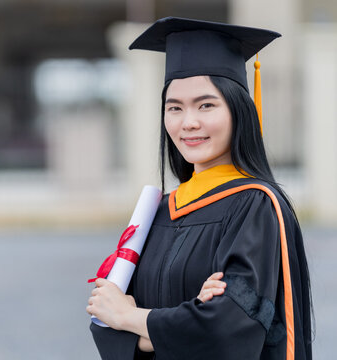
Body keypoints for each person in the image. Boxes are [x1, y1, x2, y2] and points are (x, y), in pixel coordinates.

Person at [86, 17, 312, 360]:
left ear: (238, 111)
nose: (188, 122)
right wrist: (187, 318)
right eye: (174, 108)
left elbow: (228, 331)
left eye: (206, 105)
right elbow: (104, 318)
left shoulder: (254, 206)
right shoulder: (157, 210)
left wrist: (132, 318)